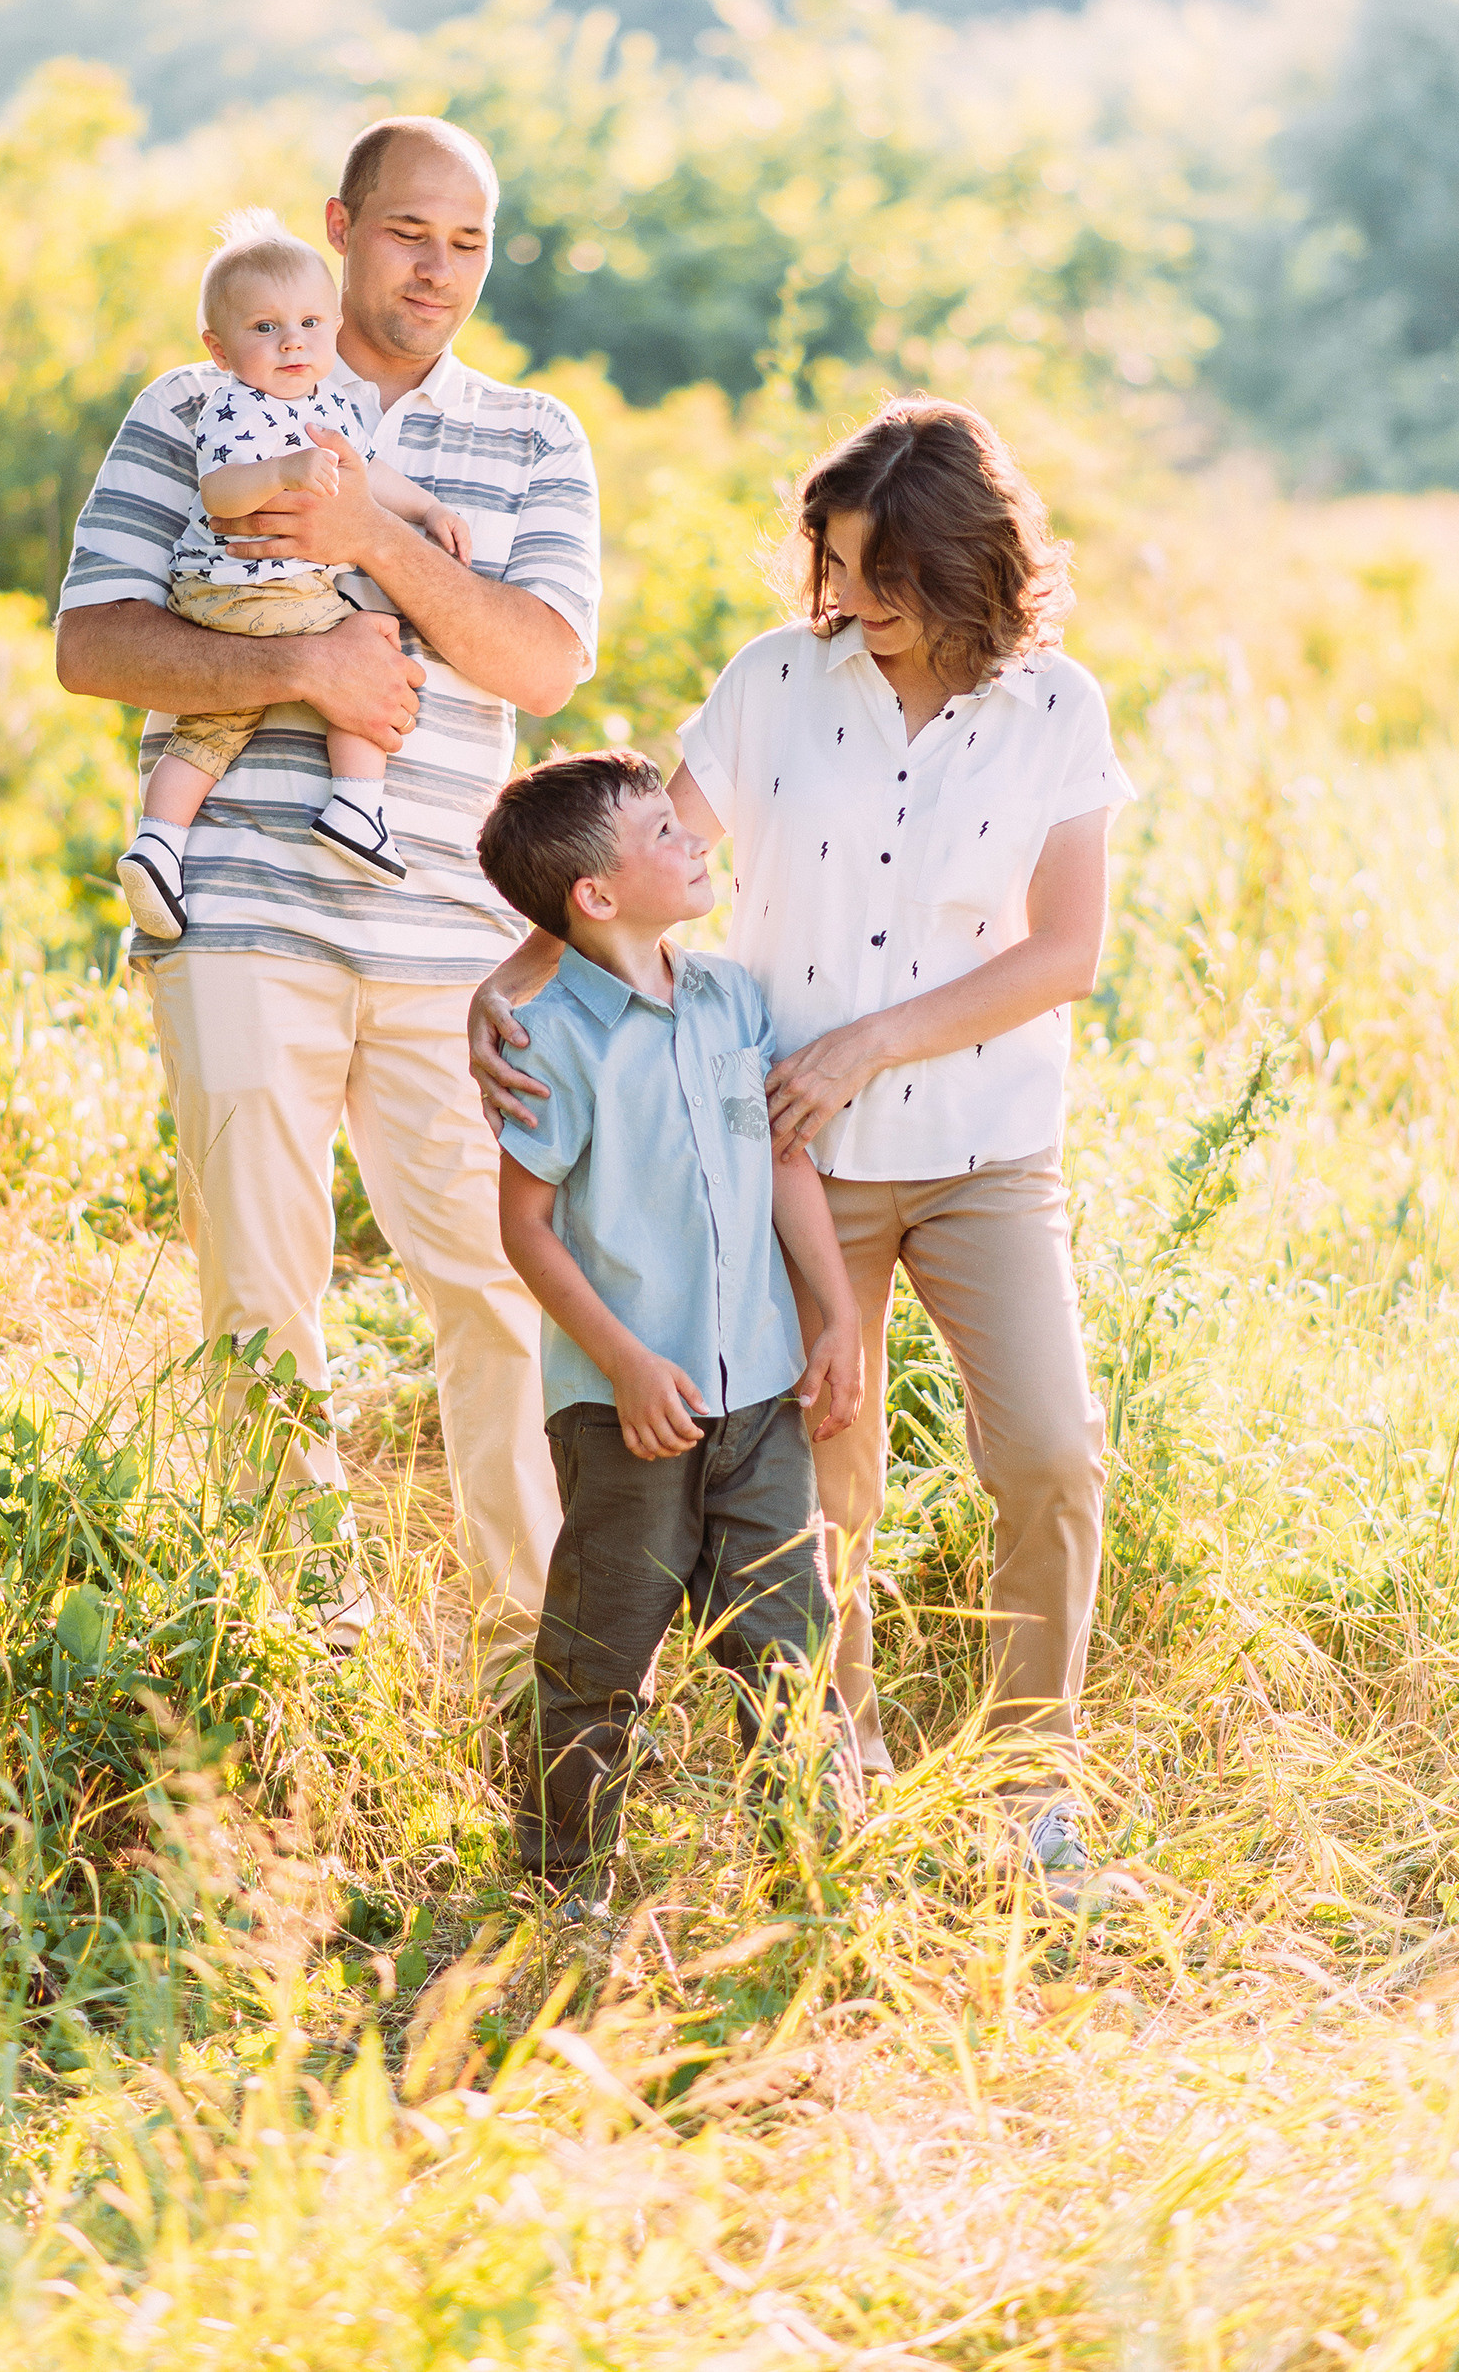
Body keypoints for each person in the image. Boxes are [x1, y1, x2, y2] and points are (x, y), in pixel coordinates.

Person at [472, 397, 1132, 1880]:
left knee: (1048, 1451)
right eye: (831, 563)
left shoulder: (1058, 709)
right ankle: (839, 1764)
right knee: (830, 1478)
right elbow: (622, 871)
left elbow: (1064, 953)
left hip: (980, 1145)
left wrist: (867, 1044)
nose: (847, 599)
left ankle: (1034, 1785)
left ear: (964, 562)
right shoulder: (775, 681)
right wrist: (503, 990)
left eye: (880, 574)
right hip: (788, 1157)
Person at [57, 114, 598, 1675]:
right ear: (343, 226)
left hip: (451, 938)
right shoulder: (196, 401)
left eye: (468, 243)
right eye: (410, 232)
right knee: (260, 1290)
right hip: (237, 910)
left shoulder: (534, 435)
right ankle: (298, 1648)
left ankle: (538, 1663)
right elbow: (92, 642)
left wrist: (367, 533)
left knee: (501, 1284)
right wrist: (303, 661)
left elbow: (544, 663)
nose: (437, 269)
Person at [475, 749, 862, 1903]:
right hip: (624, 1413)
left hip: (759, 1397)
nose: (692, 839)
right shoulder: (551, 1038)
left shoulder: (731, 1000)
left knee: (788, 1641)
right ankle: (561, 1887)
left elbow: (781, 1160)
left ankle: (811, 1883)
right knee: (598, 1654)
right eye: (659, 832)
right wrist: (626, 1364)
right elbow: (524, 1229)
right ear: (595, 896)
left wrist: (835, 1312)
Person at [116, 208, 473, 940]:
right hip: (246, 586)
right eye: (265, 327)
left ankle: (157, 844)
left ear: (334, 325)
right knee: (370, 650)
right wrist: (283, 470)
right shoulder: (233, 405)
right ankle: (357, 805)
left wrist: (429, 507)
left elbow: (370, 472)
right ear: (219, 348)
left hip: (257, 596)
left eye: (310, 323)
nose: (292, 342)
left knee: (214, 726)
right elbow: (221, 493)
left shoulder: (326, 403)